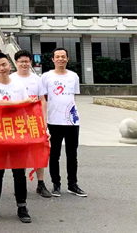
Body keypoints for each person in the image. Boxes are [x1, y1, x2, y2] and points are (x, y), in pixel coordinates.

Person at [0, 53, 36, 224]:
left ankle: (22, 207)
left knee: (19, 173)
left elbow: (28, 108)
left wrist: (38, 130)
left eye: (4, 64)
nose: (2, 68)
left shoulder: (18, 85)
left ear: (9, 65)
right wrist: (22, 103)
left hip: (18, 133)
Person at [41, 48, 87, 198]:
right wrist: (44, 120)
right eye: (57, 57)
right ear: (53, 59)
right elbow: (43, 99)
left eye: (63, 56)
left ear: (67, 59)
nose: (60, 59)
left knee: (72, 154)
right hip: (53, 121)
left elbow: (73, 97)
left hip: (72, 121)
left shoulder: (73, 76)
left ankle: (73, 184)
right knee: (54, 154)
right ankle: (56, 184)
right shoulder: (46, 77)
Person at [10, 50, 52, 198]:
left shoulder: (37, 79)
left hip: (35, 121)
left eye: (27, 61)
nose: (24, 64)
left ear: (30, 62)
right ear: (16, 63)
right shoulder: (11, 79)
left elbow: (42, 100)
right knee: (20, 154)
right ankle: (20, 184)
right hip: (17, 122)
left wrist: (44, 121)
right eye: (21, 61)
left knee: (39, 152)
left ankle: (41, 183)